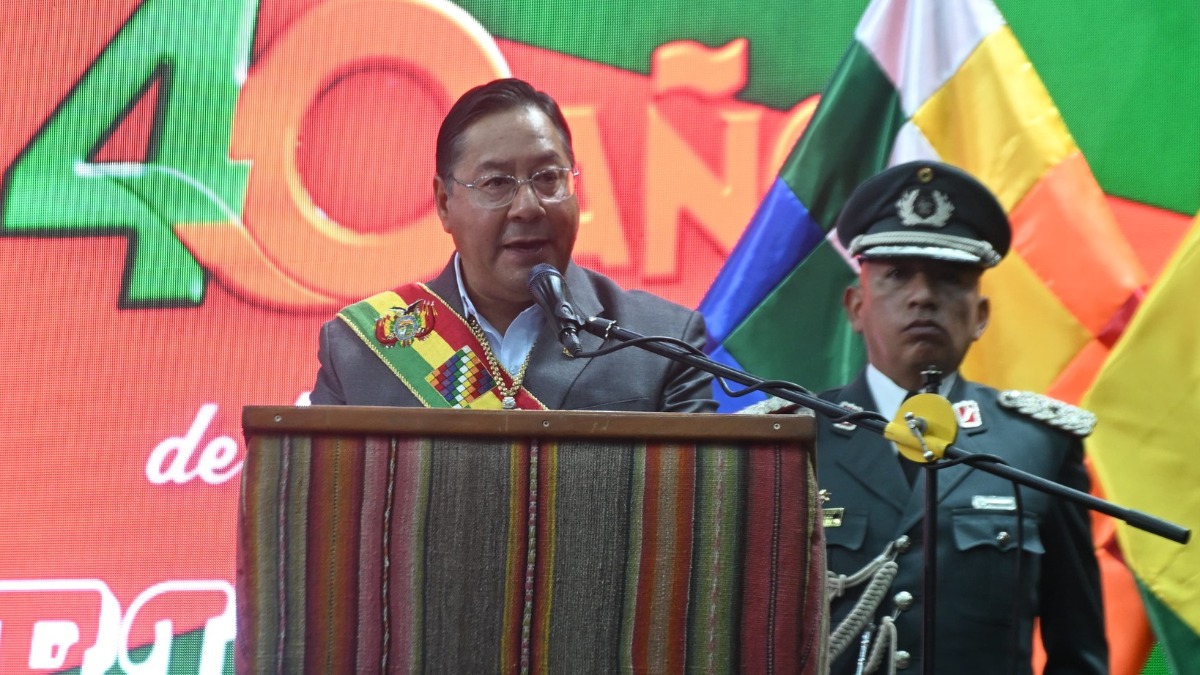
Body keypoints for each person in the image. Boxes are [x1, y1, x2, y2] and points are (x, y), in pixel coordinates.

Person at [817, 161, 1107, 674]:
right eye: (897, 276)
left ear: (981, 316)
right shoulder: (795, 439)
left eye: (950, 279)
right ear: (855, 307)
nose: (923, 296)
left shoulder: (1036, 446)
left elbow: (1077, 651)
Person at [310, 78, 715, 412]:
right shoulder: (362, 350)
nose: (528, 207)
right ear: (444, 203)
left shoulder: (662, 342)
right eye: (497, 183)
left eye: (548, 177)